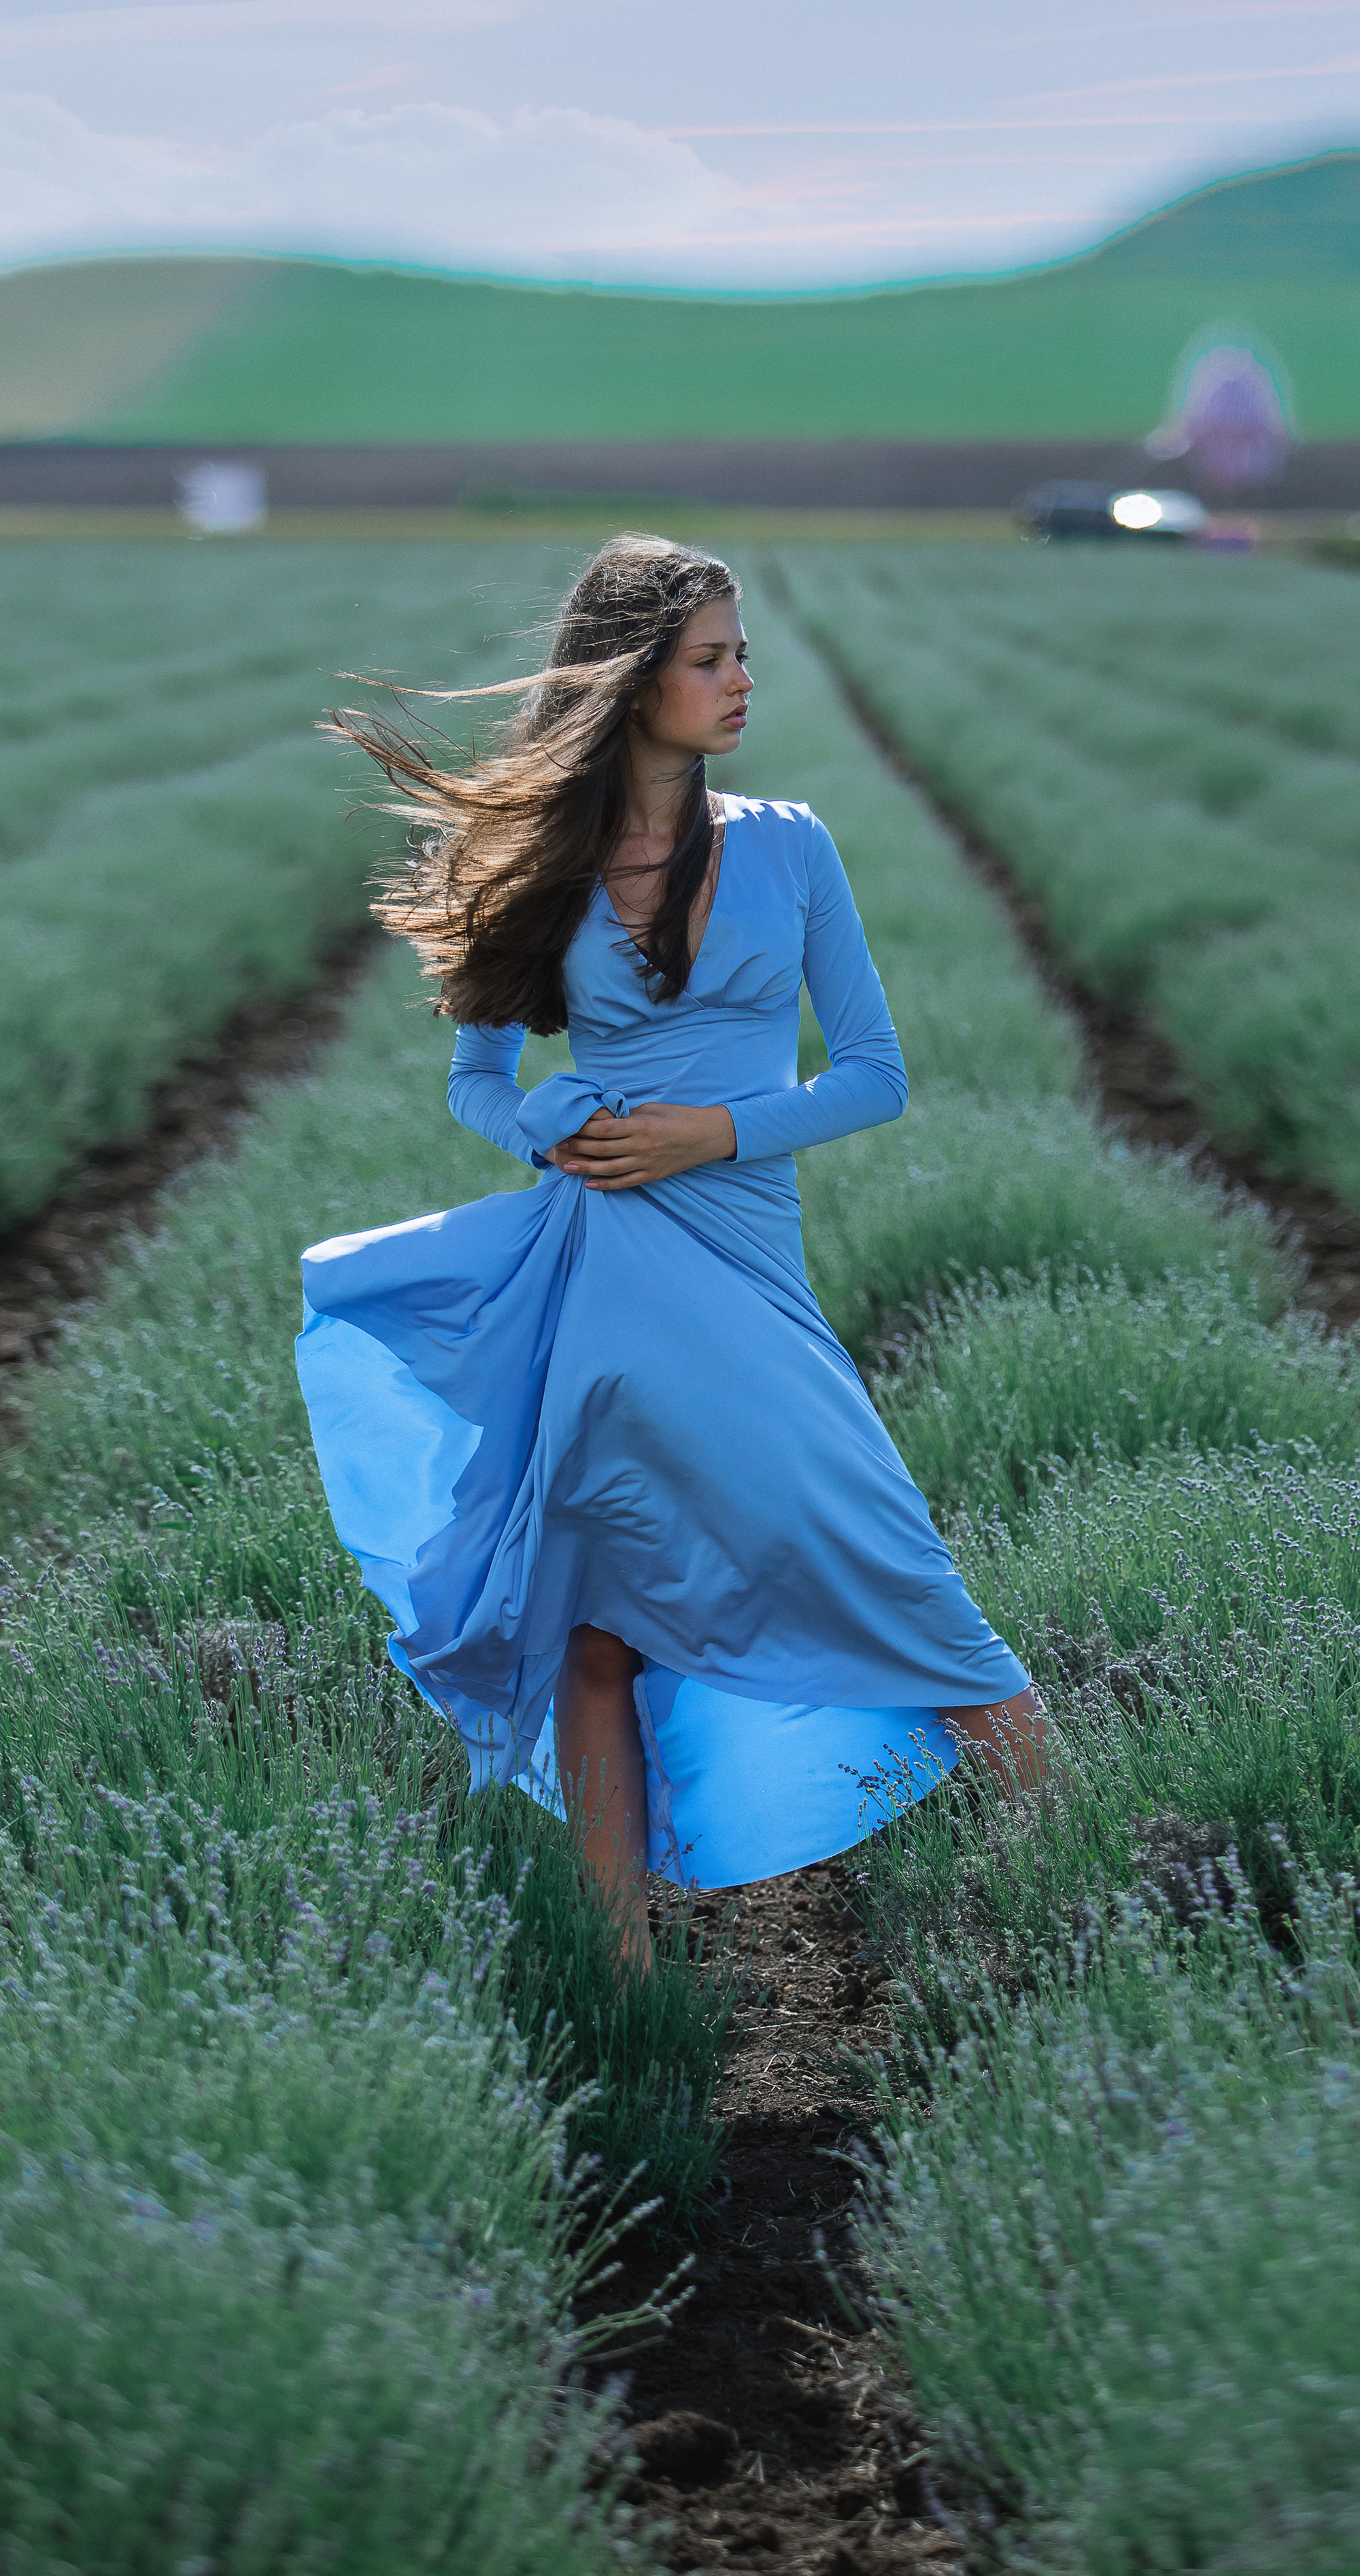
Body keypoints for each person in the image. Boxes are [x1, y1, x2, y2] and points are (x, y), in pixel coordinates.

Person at [297, 534, 1046, 1969]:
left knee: (895, 1571)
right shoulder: (541, 865)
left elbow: (876, 1077)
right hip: (608, 1272)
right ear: (634, 679)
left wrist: (711, 1131)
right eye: (712, 657)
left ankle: (1086, 1892)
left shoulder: (789, 842)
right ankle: (619, 1980)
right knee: (595, 1633)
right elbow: (478, 1086)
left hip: (745, 1260)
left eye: (742, 652)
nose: (740, 680)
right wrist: (557, 1127)